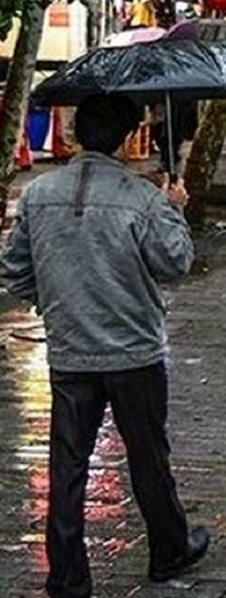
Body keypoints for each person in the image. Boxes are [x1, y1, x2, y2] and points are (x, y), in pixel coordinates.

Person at [0, 94, 208, 598]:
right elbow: (175, 262)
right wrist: (176, 209)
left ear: (76, 134)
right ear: (123, 137)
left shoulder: (39, 194)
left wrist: (56, 300)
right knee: (148, 455)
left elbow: (14, 270)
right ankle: (169, 548)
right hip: (133, 350)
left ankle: (67, 575)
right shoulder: (142, 198)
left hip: (70, 349)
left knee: (68, 465)